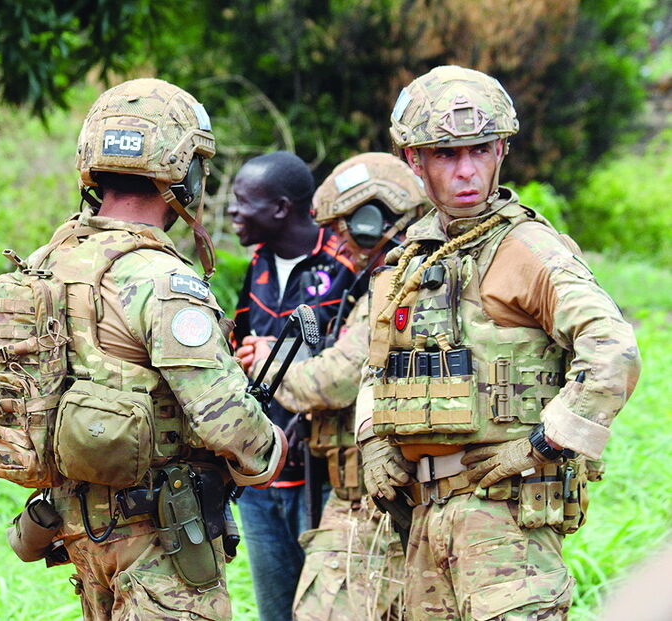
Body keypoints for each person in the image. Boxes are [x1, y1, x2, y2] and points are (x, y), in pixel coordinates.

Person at [356, 65, 641, 620]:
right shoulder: (413, 257)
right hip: (425, 522)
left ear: (502, 150)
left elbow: (613, 350)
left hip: (506, 526)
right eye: (445, 154)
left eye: (480, 151)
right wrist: (371, 439)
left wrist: (544, 445)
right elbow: (377, 366)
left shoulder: (527, 248)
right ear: (414, 160)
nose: (466, 171)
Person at [0, 78, 288, 621]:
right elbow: (224, 417)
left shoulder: (48, 261)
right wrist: (270, 448)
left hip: (79, 525)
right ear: (183, 172)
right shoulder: (163, 280)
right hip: (160, 536)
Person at [238, 152, 428, 620]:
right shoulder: (385, 280)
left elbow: (334, 379)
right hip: (316, 480)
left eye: (344, 227)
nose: (337, 240)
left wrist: (266, 362)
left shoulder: (400, 284)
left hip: (362, 490)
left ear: (371, 221)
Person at [228, 151, 356, 621]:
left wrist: (278, 356)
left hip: (325, 477)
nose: (232, 211)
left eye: (243, 201)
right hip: (262, 473)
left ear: (281, 208)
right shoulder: (258, 262)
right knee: (276, 613)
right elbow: (244, 340)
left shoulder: (345, 263)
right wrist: (244, 356)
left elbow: (353, 362)